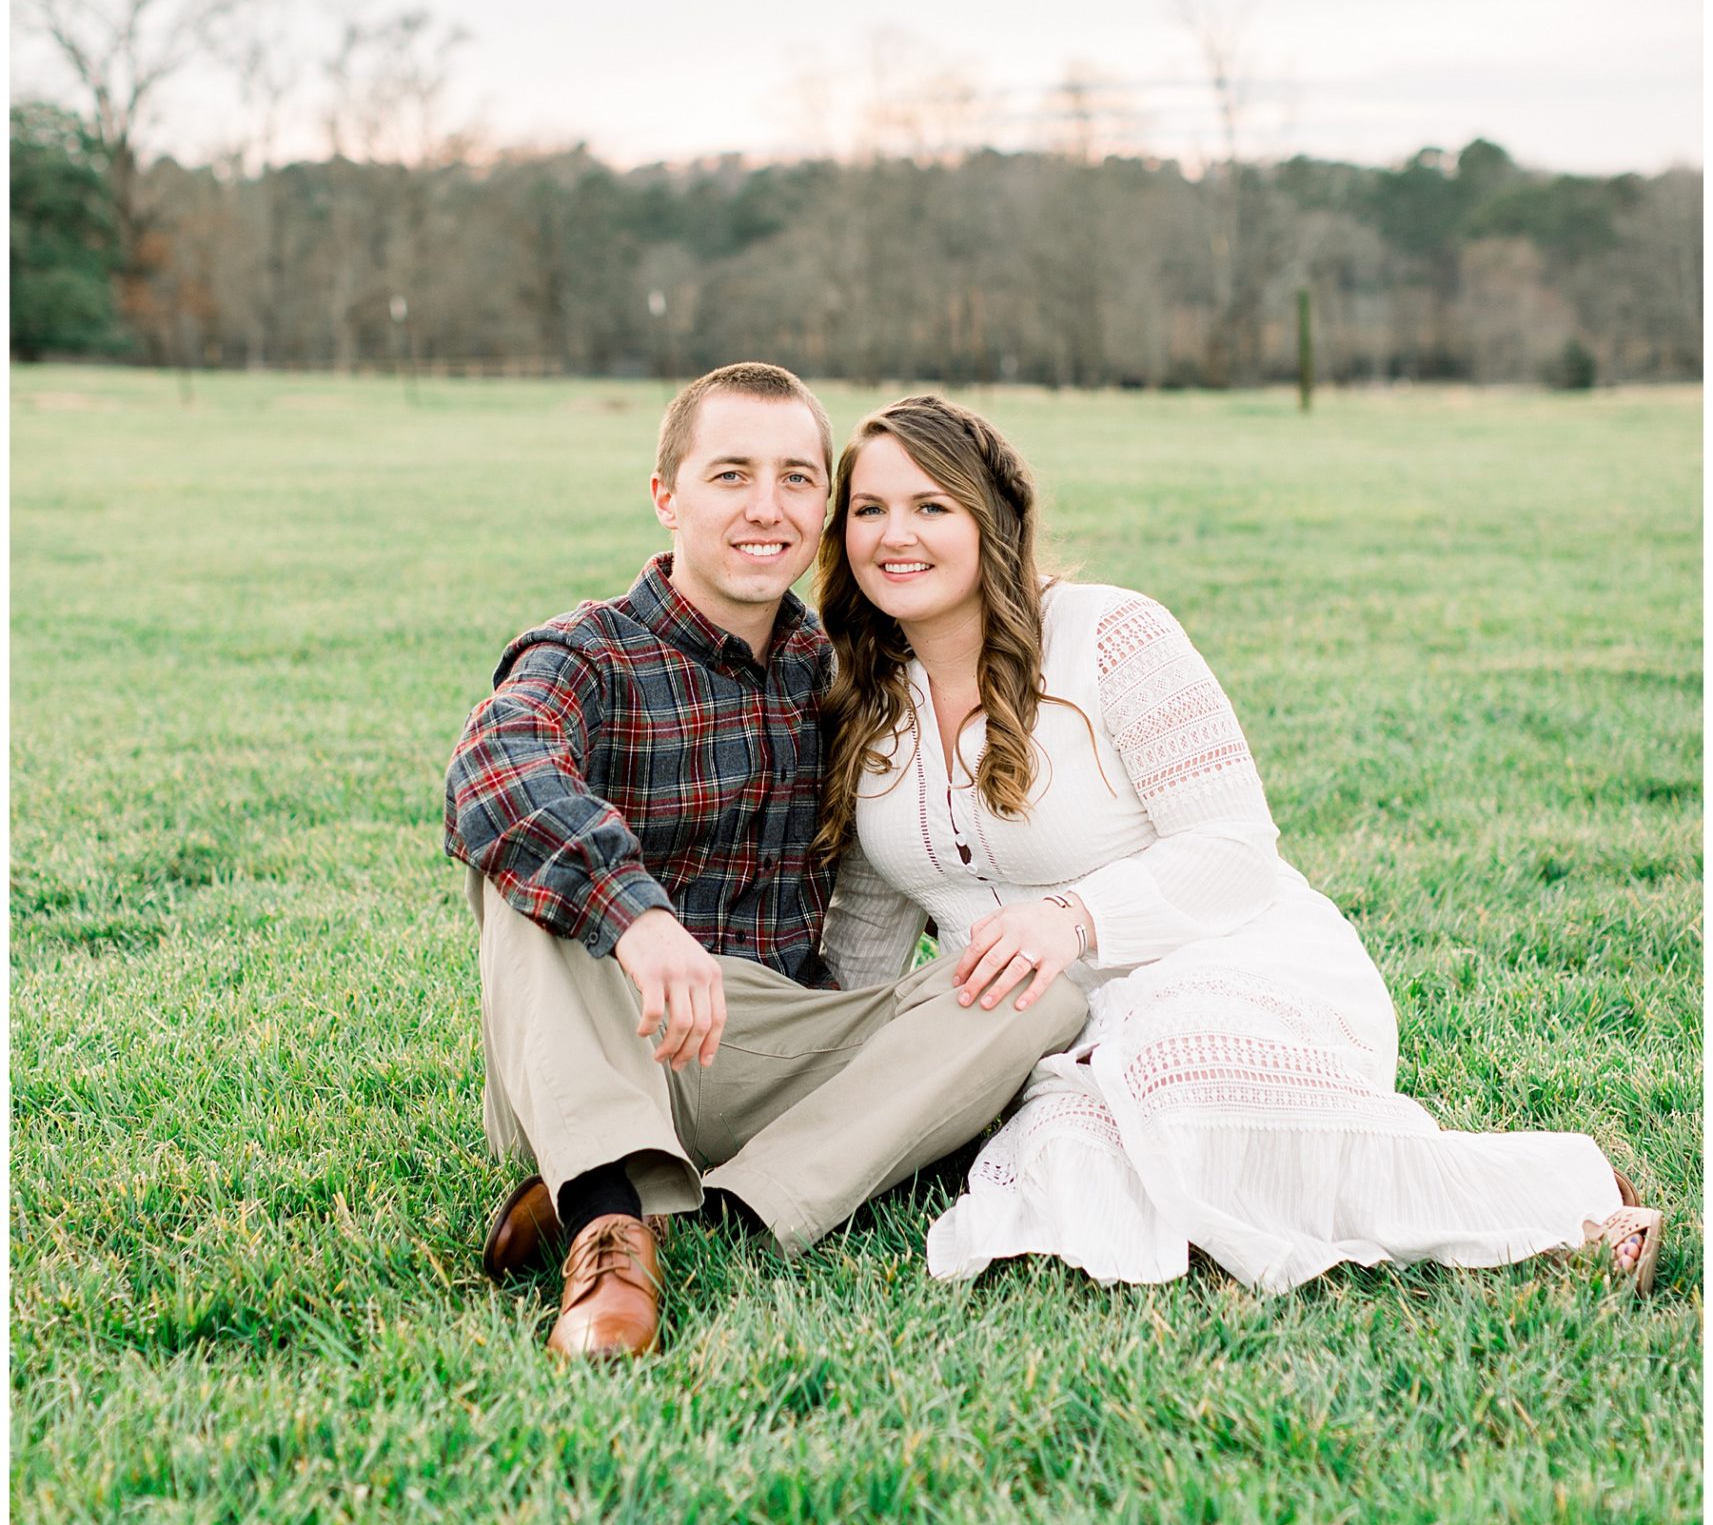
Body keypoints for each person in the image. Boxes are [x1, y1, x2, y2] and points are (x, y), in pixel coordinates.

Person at [812, 391, 1665, 1298]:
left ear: (994, 521)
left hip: (1225, 964)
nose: (894, 534)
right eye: (869, 509)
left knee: (1179, 1090)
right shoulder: (864, 699)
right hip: (1046, 1040)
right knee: (1072, 1170)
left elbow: (1232, 847)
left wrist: (1073, 917)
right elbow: (866, 939)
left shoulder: (1110, 633)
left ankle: (1567, 1200)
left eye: (930, 506)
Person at [444, 361, 1082, 1363]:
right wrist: (639, 919)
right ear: (667, 495)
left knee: (1041, 991)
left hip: (765, 1045)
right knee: (522, 864)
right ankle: (611, 1222)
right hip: (606, 1024)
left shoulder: (839, 676)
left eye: (797, 478)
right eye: (731, 474)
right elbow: (495, 766)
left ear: (824, 506)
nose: (766, 507)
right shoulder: (586, 655)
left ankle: (728, 1201)